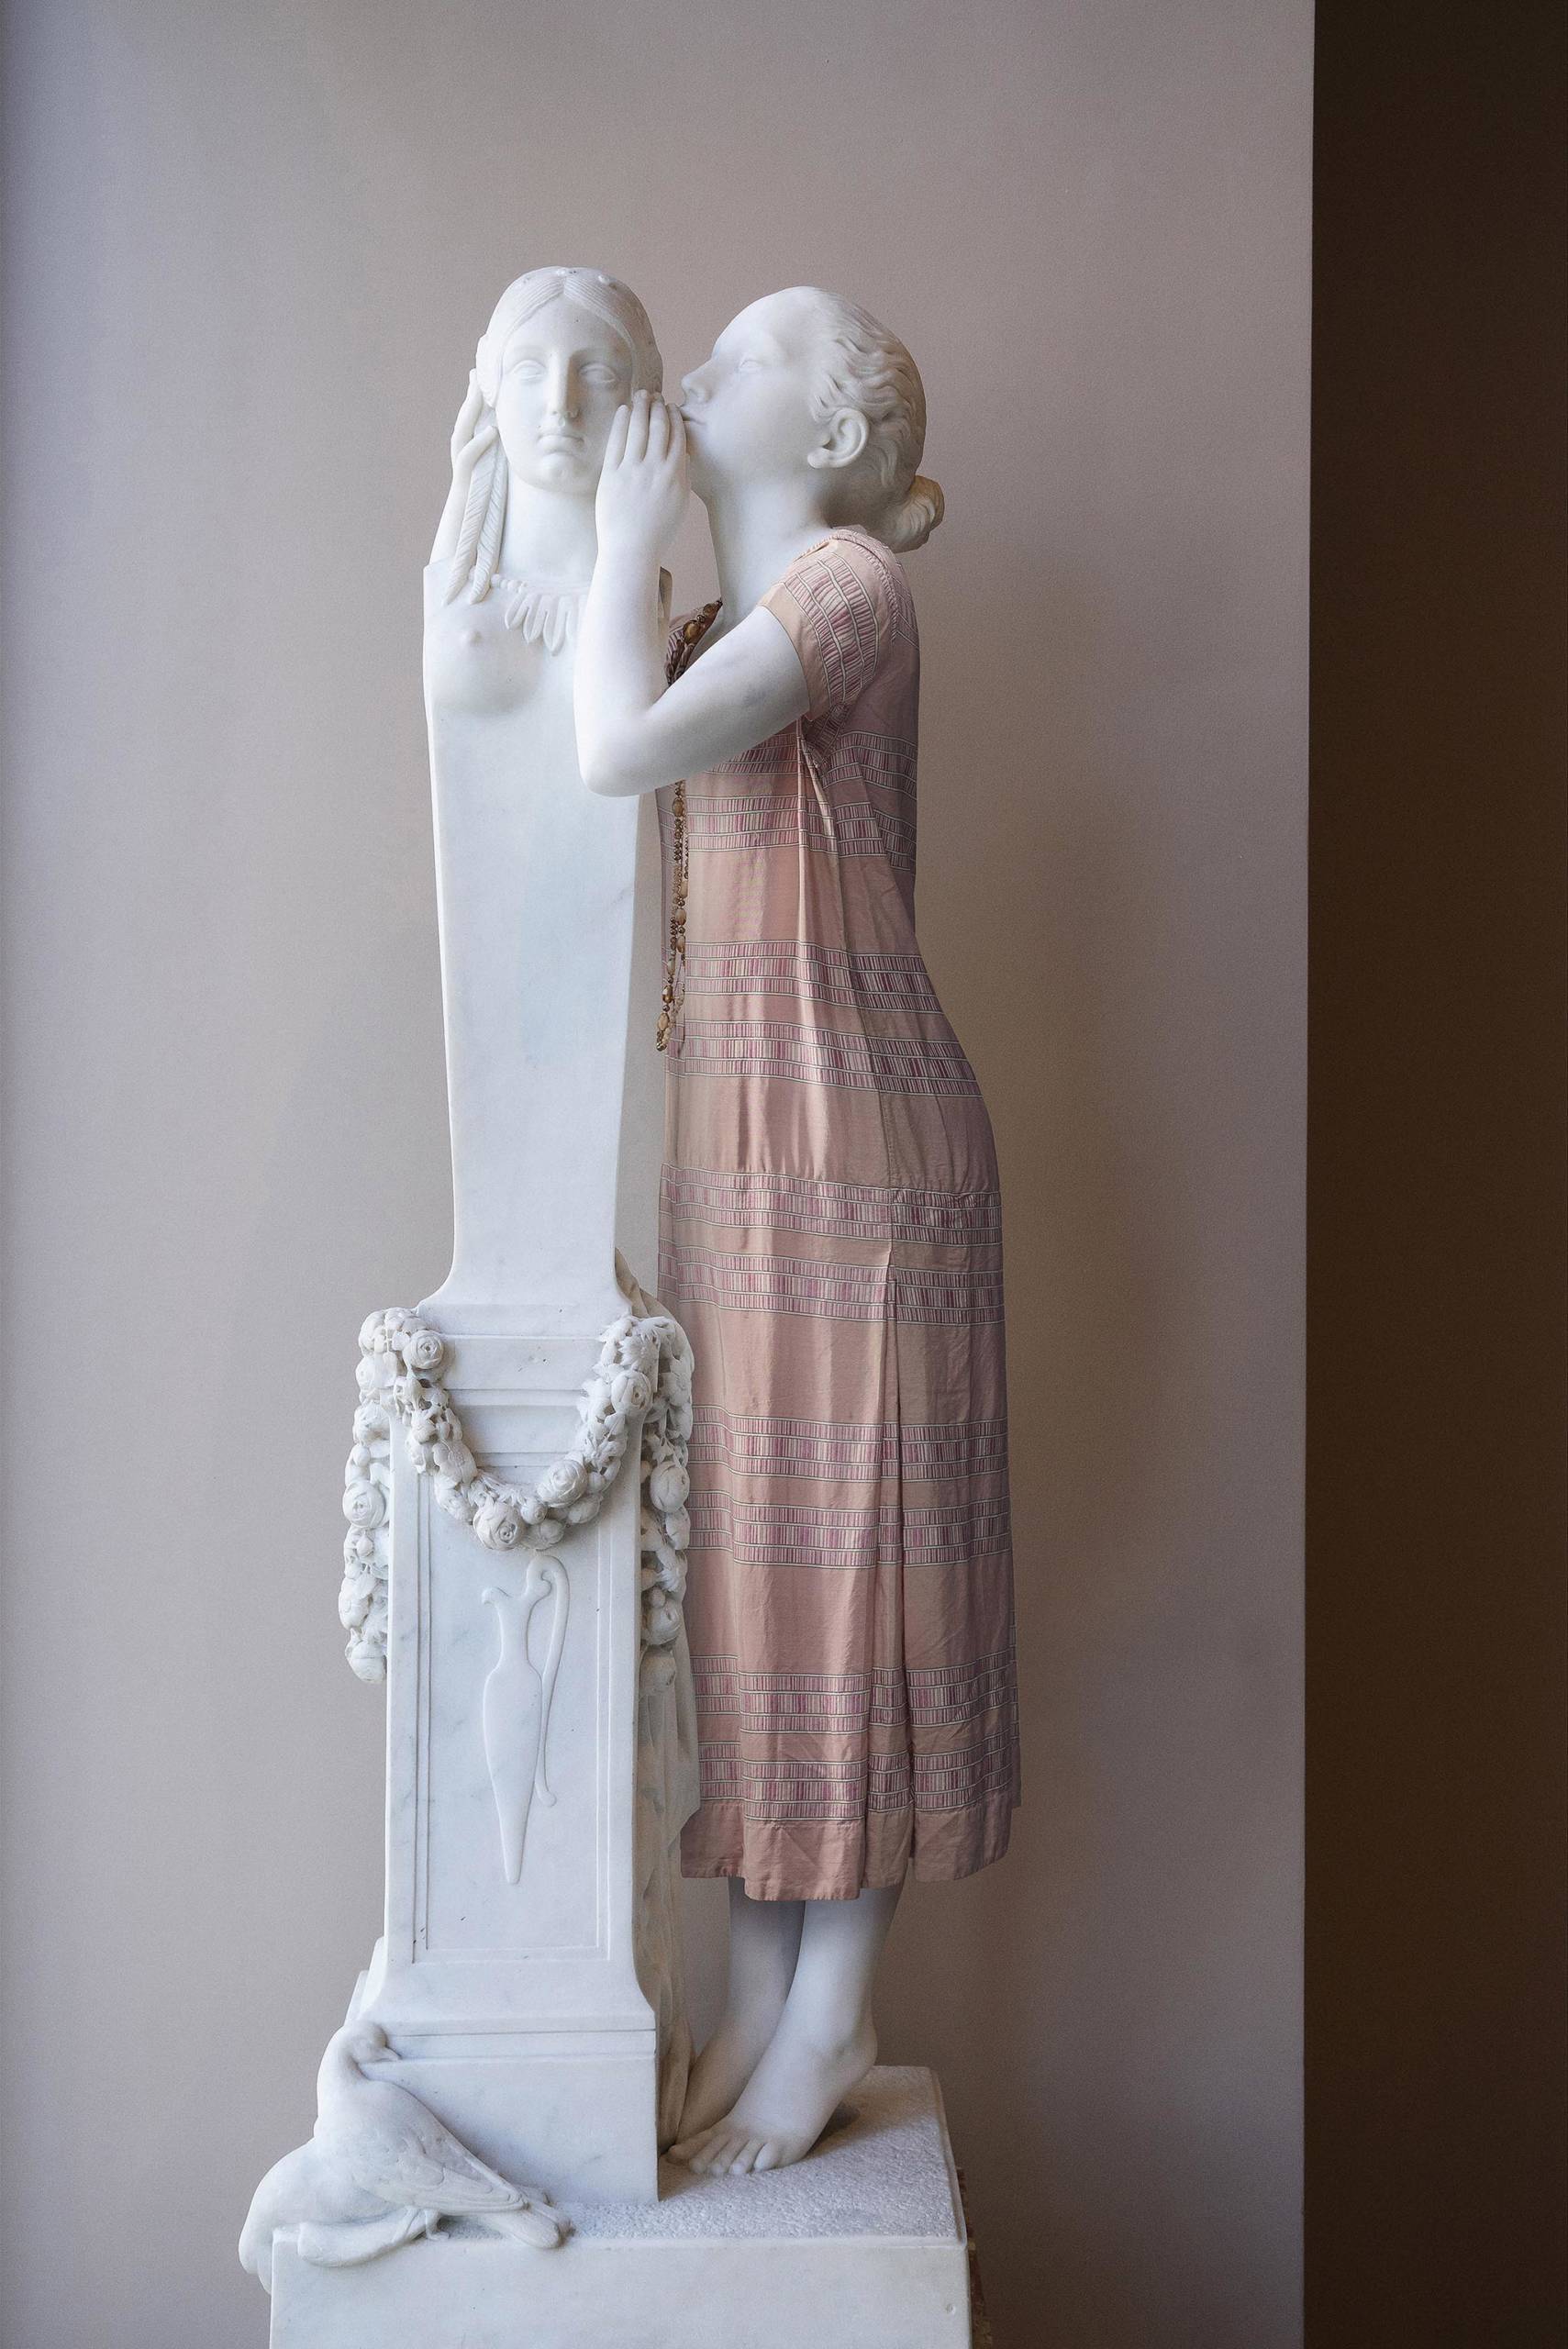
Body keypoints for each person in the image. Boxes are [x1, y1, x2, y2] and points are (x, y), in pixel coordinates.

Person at [575, 289, 1018, 2176]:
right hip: (747, 1149)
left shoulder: (848, 592)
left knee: (852, 1571)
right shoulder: (722, 622)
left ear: (832, 439)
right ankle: (762, 1988)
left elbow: (616, 747)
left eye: (749, 356)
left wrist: (619, 542)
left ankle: (835, 2004)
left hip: (852, 1144)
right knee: (758, 1576)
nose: (704, 369)